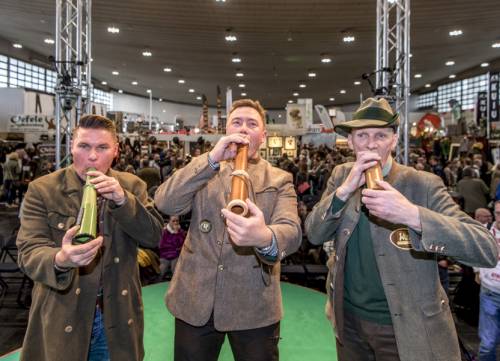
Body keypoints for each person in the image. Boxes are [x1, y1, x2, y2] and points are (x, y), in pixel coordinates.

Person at [305, 97, 498, 361]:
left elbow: (485, 249)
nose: (371, 143)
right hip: (349, 322)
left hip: (406, 327)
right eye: (362, 135)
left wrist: (413, 215)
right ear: (350, 142)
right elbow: (314, 234)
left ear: (394, 140)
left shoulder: (422, 184)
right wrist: (343, 192)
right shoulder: (341, 175)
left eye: (381, 135)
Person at [154, 99, 301, 361]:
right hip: (195, 299)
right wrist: (211, 159)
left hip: (254, 304)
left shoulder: (279, 179)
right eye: (237, 122)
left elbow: (291, 230)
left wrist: (264, 237)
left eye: (252, 123)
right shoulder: (203, 168)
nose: (244, 128)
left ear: (264, 137)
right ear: (226, 131)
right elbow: (165, 202)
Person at [16, 115, 163, 361]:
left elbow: (154, 236)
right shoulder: (43, 189)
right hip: (62, 314)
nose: (92, 156)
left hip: (116, 315)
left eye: (102, 147)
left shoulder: (132, 185)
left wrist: (123, 201)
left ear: (116, 151)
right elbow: (28, 252)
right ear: (72, 146)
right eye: (84, 146)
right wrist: (60, 259)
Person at [476, 201, 500, 361]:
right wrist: (477, 271)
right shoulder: (485, 232)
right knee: (487, 345)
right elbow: (474, 252)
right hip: (490, 293)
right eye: (499, 213)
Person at [158, 215, 186, 279]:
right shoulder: (164, 232)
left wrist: (176, 234)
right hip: (165, 255)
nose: (175, 222)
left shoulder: (181, 232)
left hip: (176, 255)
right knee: (161, 272)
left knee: (175, 272)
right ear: (169, 221)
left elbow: (181, 243)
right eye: (173, 221)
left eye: (177, 221)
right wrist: (175, 247)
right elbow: (161, 245)